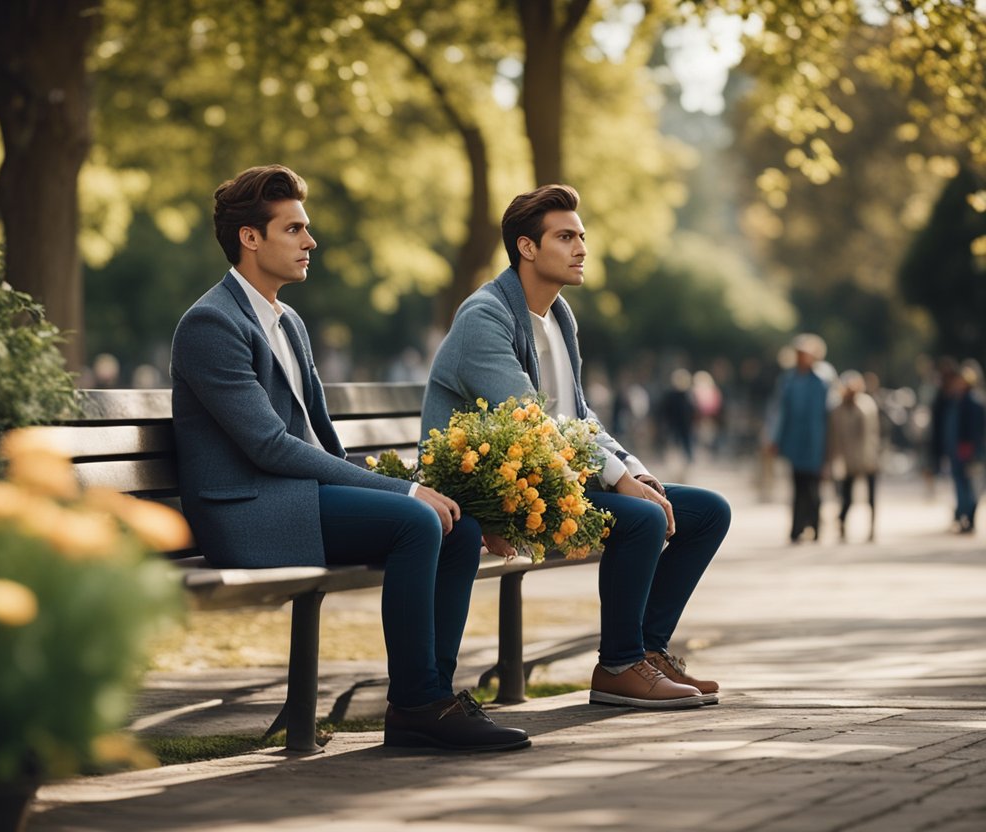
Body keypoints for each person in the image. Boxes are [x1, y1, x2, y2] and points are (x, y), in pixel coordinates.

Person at [169, 165, 529, 752]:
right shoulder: (211, 323)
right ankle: (416, 704)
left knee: (457, 524)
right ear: (250, 238)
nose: (310, 242)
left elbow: (321, 439)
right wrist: (405, 494)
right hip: (248, 514)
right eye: (294, 230)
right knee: (415, 521)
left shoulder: (290, 322)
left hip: (296, 498)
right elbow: (267, 445)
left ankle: (433, 694)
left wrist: (395, 484)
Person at [422, 184, 731, 709]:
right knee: (644, 519)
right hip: (496, 491)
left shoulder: (560, 316)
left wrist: (635, 469)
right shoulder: (485, 318)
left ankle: (648, 653)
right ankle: (618, 665)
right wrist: (619, 481)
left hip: (551, 478)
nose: (581, 248)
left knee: (706, 512)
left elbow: (579, 415)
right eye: (565, 237)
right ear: (526, 247)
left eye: (581, 236)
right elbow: (534, 421)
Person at [767, 334, 831, 543]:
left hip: (815, 440)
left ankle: (814, 524)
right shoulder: (788, 380)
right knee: (797, 484)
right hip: (794, 439)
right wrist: (773, 438)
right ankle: (796, 527)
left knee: (813, 486)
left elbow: (829, 415)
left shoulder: (822, 381)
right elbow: (779, 411)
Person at [826, 370, 881, 542]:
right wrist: (832, 459)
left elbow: (873, 432)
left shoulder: (866, 405)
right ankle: (842, 523)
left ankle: (872, 528)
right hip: (848, 459)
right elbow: (834, 437)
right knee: (847, 497)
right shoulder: (837, 410)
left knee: (871, 498)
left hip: (868, 457)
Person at [930, 364, 985, 534]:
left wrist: (973, 449)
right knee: (961, 485)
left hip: (968, 451)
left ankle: (967, 516)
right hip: (955, 451)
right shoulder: (954, 400)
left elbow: (977, 429)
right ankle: (963, 516)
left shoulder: (974, 402)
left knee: (970, 487)